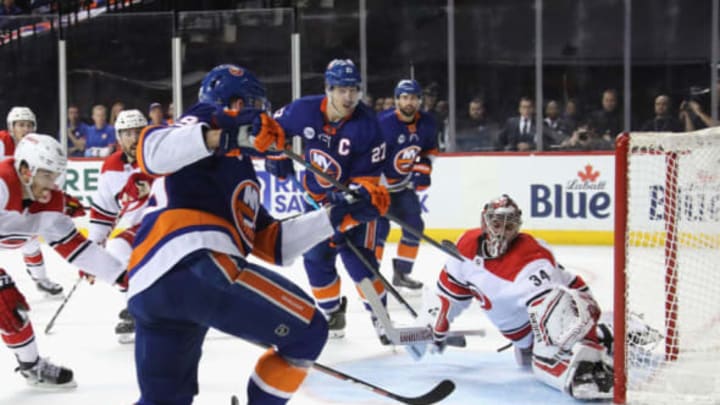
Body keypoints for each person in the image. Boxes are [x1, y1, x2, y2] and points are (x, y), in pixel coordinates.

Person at [126, 63, 389, 405]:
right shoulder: (207, 118)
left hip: (153, 288)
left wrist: (341, 214)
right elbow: (151, 151)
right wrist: (230, 132)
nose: (263, 117)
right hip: (195, 263)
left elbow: (275, 244)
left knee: (164, 400)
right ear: (234, 104)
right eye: (254, 106)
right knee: (308, 330)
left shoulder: (240, 169)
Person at [421, 195, 658, 400]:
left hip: (553, 326)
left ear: (518, 227)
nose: (502, 230)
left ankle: (590, 359)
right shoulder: (466, 246)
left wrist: (588, 341)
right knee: (538, 337)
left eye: (509, 225)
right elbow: (450, 294)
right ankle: (603, 334)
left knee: (553, 304)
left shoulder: (532, 255)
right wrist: (437, 323)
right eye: (496, 223)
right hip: (525, 340)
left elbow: (561, 300)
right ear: (484, 222)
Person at [269, 59, 391, 342]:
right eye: (342, 90)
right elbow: (271, 131)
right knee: (315, 259)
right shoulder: (303, 110)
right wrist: (275, 155)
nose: (349, 97)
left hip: (355, 206)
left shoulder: (368, 125)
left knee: (360, 263)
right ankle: (332, 312)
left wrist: (349, 201)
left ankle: (381, 319)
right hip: (315, 203)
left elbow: (369, 182)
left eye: (354, 90)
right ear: (328, 89)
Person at [0, 133, 127, 388]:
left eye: (56, 176)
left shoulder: (50, 204)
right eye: (47, 175)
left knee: (12, 311)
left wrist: (125, 278)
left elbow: (78, 249)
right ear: (25, 170)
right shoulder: (2, 184)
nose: (53, 185)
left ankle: (31, 367)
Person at [87, 109, 151, 344]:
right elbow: (103, 211)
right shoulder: (112, 166)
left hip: (170, 224)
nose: (134, 138)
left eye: (139, 132)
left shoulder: (161, 155)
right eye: (128, 133)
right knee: (116, 248)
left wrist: (150, 184)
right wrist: (90, 253)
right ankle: (137, 305)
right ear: (119, 137)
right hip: (139, 229)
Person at [375, 79, 438, 291]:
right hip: (379, 189)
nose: (408, 101)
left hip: (402, 188)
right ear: (396, 100)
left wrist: (422, 169)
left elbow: (430, 150)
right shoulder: (383, 123)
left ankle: (402, 272)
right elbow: (367, 154)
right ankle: (372, 276)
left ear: (419, 100)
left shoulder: (427, 122)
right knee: (378, 232)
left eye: (412, 97)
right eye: (404, 97)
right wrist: (374, 183)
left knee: (414, 227)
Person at [0, 106, 64, 296]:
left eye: (29, 125)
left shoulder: (37, 146)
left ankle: (41, 280)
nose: (25, 129)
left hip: (22, 200)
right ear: (11, 127)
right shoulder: (2, 142)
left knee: (31, 239)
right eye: (20, 125)